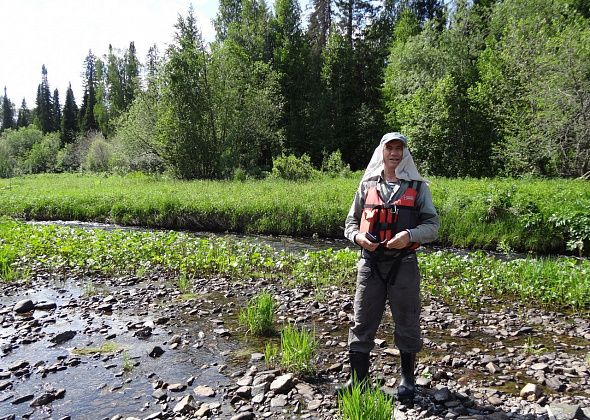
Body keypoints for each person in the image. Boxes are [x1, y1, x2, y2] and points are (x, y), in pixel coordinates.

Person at [340, 132, 439, 400]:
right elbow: (350, 224)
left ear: (405, 153)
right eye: (389, 148)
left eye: (399, 149)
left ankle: (407, 381)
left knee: (407, 321)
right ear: (381, 152)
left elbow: (432, 227)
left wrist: (408, 236)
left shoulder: (418, 188)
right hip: (369, 265)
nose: (394, 153)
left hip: (404, 264)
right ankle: (357, 381)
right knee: (361, 322)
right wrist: (359, 237)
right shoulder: (366, 185)